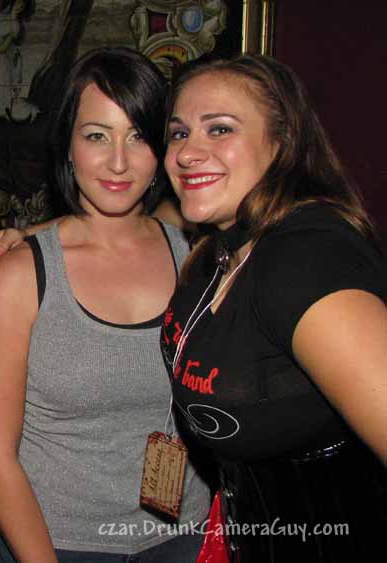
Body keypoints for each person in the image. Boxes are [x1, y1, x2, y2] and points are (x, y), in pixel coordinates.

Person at [0, 47, 210, 563]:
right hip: (60, 543)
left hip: (183, 534)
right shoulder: (20, 275)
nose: (118, 162)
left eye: (138, 136)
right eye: (97, 136)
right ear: (68, 146)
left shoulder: (194, 254)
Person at [161, 54, 387, 561]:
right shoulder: (222, 244)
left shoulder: (304, 261)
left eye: (220, 129)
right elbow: (126, 220)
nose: (188, 152)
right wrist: (28, 241)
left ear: (283, 144)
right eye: (178, 133)